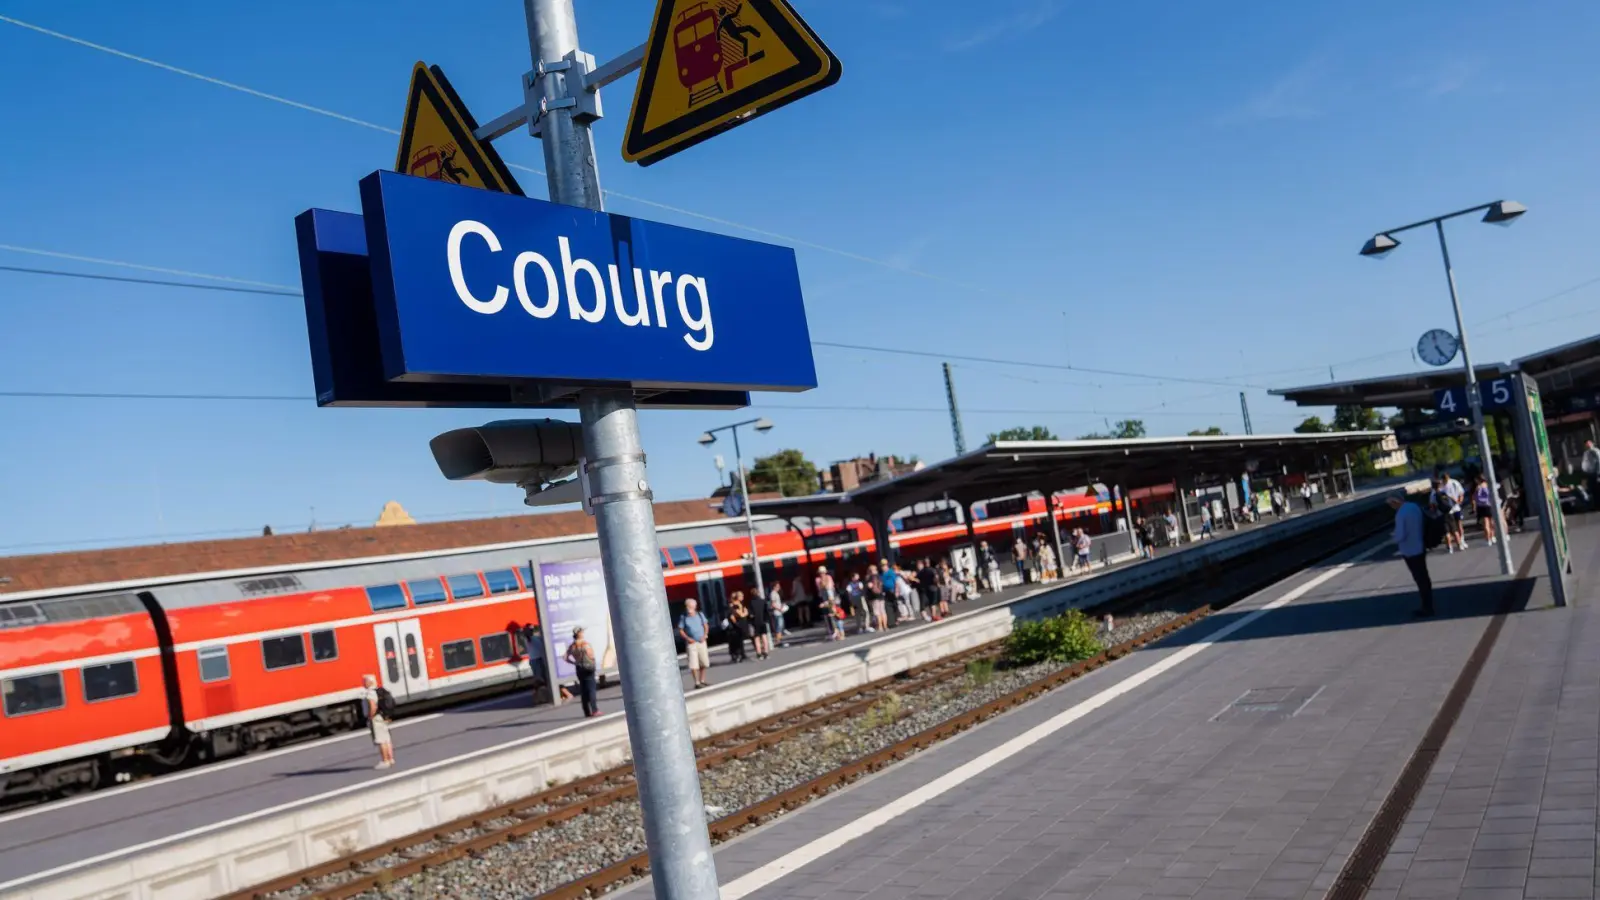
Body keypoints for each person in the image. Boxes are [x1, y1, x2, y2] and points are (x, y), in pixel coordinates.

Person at [1389, 492, 1434, 617]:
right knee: (1424, 577)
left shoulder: (1401, 514)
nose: (1392, 507)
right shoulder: (1414, 506)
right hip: (1420, 546)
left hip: (1409, 550)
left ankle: (1427, 607)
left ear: (1395, 502)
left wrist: (1393, 538)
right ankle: (1428, 604)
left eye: (1391, 504)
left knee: (1419, 578)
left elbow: (1400, 535)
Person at [564, 627, 600, 717]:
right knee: (591, 689)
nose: (583, 633)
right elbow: (591, 655)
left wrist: (574, 662)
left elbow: (565, 657)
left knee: (583, 690)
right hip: (588, 667)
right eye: (582, 632)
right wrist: (593, 661)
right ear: (579, 634)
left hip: (579, 668)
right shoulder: (585, 644)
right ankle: (594, 710)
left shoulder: (572, 646)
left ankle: (586, 711)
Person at [361, 674, 395, 769]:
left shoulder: (370, 693)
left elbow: (373, 706)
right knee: (387, 739)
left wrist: (370, 717)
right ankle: (391, 759)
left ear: (369, 682)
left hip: (376, 719)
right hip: (382, 717)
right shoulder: (378, 691)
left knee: (381, 740)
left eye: (365, 681)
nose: (363, 683)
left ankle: (385, 761)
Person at [677, 598, 712, 689]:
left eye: (690, 607)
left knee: (704, 662)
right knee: (693, 664)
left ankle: (702, 680)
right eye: (687, 607)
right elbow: (680, 630)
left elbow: (706, 625)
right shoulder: (683, 617)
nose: (688, 608)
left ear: (694, 607)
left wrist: (705, 635)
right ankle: (697, 682)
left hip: (701, 642)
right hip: (691, 644)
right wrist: (688, 638)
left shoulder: (700, 615)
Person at [747, 582, 771, 659]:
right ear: (758, 593)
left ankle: (759, 653)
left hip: (755, 623)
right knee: (764, 637)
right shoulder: (763, 601)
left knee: (756, 638)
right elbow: (766, 612)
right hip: (762, 621)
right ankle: (766, 652)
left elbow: (750, 614)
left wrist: (751, 620)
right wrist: (766, 620)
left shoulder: (751, 603)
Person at [1472, 475, 1497, 547]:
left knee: (1486, 523)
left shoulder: (1479, 487)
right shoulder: (1489, 485)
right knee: (1491, 522)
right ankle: (1492, 536)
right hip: (1490, 504)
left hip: (1482, 506)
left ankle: (1488, 539)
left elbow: (1475, 497)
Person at [725, 593, 749, 663]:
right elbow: (733, 617)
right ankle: (737, 655)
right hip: (733, 627)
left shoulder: (738, 605)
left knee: (738, 641)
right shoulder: (732, 607)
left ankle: (740, 654)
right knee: (735, 642)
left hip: (736, 626)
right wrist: (737, 623)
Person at [1583, 440, 1600, 510]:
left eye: (1589, 443)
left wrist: (1598, 473)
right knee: (1592, 490)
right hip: (1589, 474)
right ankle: (1595, 504)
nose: (1588, 445)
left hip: (1595, 474)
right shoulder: (1586, 453)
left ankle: (1598, 504)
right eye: (1586, 444)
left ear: (1592, 444)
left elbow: (1599, 462)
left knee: (1597, 489)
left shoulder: (1595, 451)